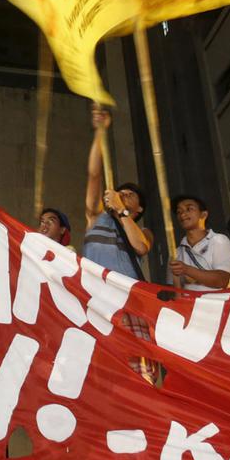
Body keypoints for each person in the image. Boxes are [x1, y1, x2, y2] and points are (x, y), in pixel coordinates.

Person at [82, 106, 157, 383]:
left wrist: (122, 212)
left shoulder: (141, 229)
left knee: (138, 374)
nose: (123, 195)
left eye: (130, 196)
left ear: (138, 209)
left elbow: (141, 247)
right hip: (95, 300)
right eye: (120, 193)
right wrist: (100, 133)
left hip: (128, 303)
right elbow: (93, 176)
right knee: (100, 372)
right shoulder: (95, 218)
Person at [169, 196, 230, 291]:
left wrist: (186, 270)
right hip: (191, 305)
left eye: (189, 209)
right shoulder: (176, 253)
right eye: (179, 211)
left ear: (203, 215)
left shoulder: (219, 240)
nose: (183, 214)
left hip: (219, 304)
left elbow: (222, 280)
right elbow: (173, 289)